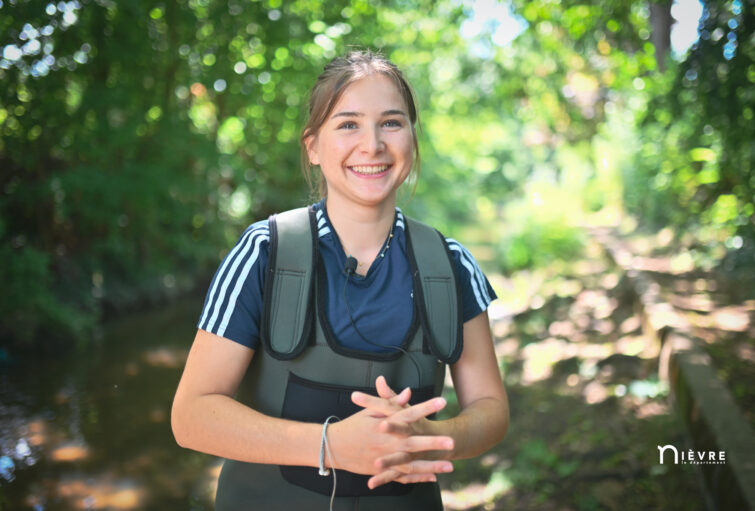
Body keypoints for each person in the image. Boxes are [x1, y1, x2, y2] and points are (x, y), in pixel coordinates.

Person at [171, 50, 509, 510]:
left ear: (413, 137)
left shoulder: (451, 266)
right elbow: (191, 417)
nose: (371, 145)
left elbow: (490, 408)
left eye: (391, 122)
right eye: (348, 124)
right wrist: (331, 445)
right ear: (312, 146)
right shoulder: (262, 253)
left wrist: (433, 436)